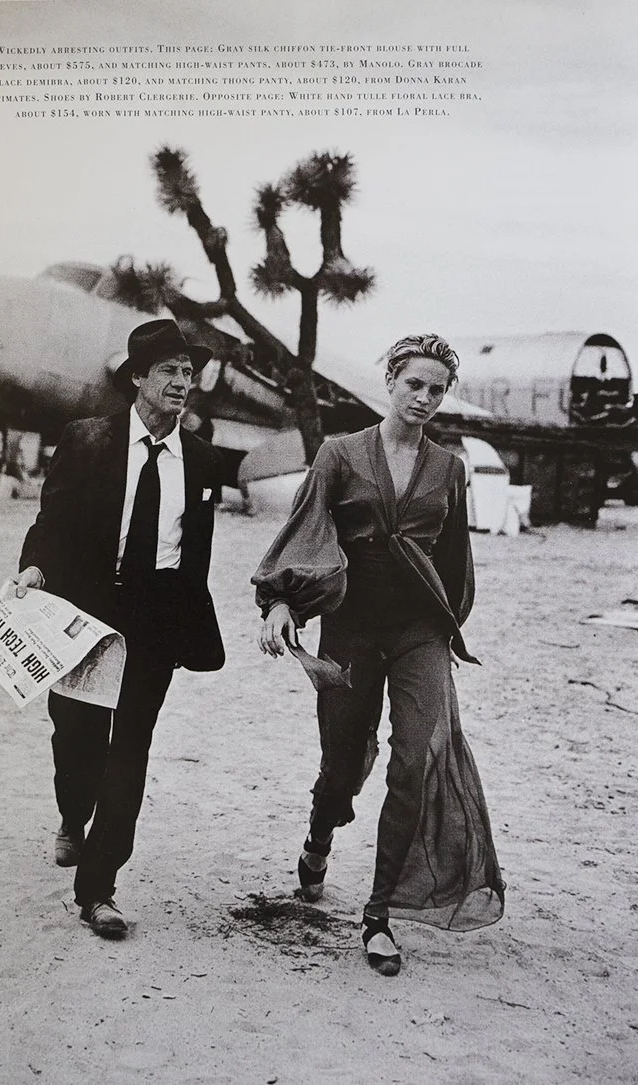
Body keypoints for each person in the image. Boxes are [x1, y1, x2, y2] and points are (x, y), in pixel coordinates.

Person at [252, 333, 504, 975]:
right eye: (414, 384)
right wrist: (280, 603)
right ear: (390, 381)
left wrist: (447, 631)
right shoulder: (339, 454)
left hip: (419, 630)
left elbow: (454, 563)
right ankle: (317, 842)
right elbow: (304, 531)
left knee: (415, 761)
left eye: (437, 389)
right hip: (351, 627)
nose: (424, 397)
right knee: (341, 764)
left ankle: (378, 916)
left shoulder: (449, 468)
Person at [16, 319, 224, 939]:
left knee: (130, 749)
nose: (183, 383)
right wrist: (33, 568)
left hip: (156, 618)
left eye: (189, 373)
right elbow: (51, 521)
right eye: (170, 371)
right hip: (85, 612)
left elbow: (196, 553)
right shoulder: (86, 440)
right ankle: (72, 815)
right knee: (75, 737)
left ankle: (99, 889)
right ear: (137, 377)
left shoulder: (204, 460)